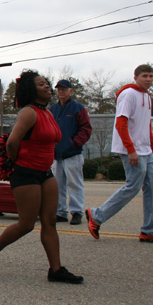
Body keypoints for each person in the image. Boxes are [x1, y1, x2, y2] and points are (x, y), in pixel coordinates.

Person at [0, 70, 83, 284]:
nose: (47, 86)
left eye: (47, 83)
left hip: (46, 173)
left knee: (50, 221)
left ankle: (56, 270)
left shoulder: (47, 112)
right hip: (26, 173)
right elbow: (11, 143)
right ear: (30, 90)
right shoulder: (29, 112)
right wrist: (17, 163)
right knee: (27, 224)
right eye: (41, 84)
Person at [86, 64, 153, 244]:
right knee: (133, 186)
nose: (148, 79)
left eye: (150, 76)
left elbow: (145, 125)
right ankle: (97, 215)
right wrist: (130, 149)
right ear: (136, 77)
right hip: (131, 150)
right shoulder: (128, 95)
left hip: (145, 150)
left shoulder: (147, 96)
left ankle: (150, 230)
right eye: (144, 76)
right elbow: (121, 124)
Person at [50, 79, 92, 225]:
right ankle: (60, 212)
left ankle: (76, 212)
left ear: (70, 91)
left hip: (72, 154)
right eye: (59, 89)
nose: (61, 91)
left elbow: (86, 129)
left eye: (64, 89)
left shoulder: (78, 108)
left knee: (74, 184)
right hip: (56, 155)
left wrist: (73, 143)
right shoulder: (53, 109)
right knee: (57, 185)